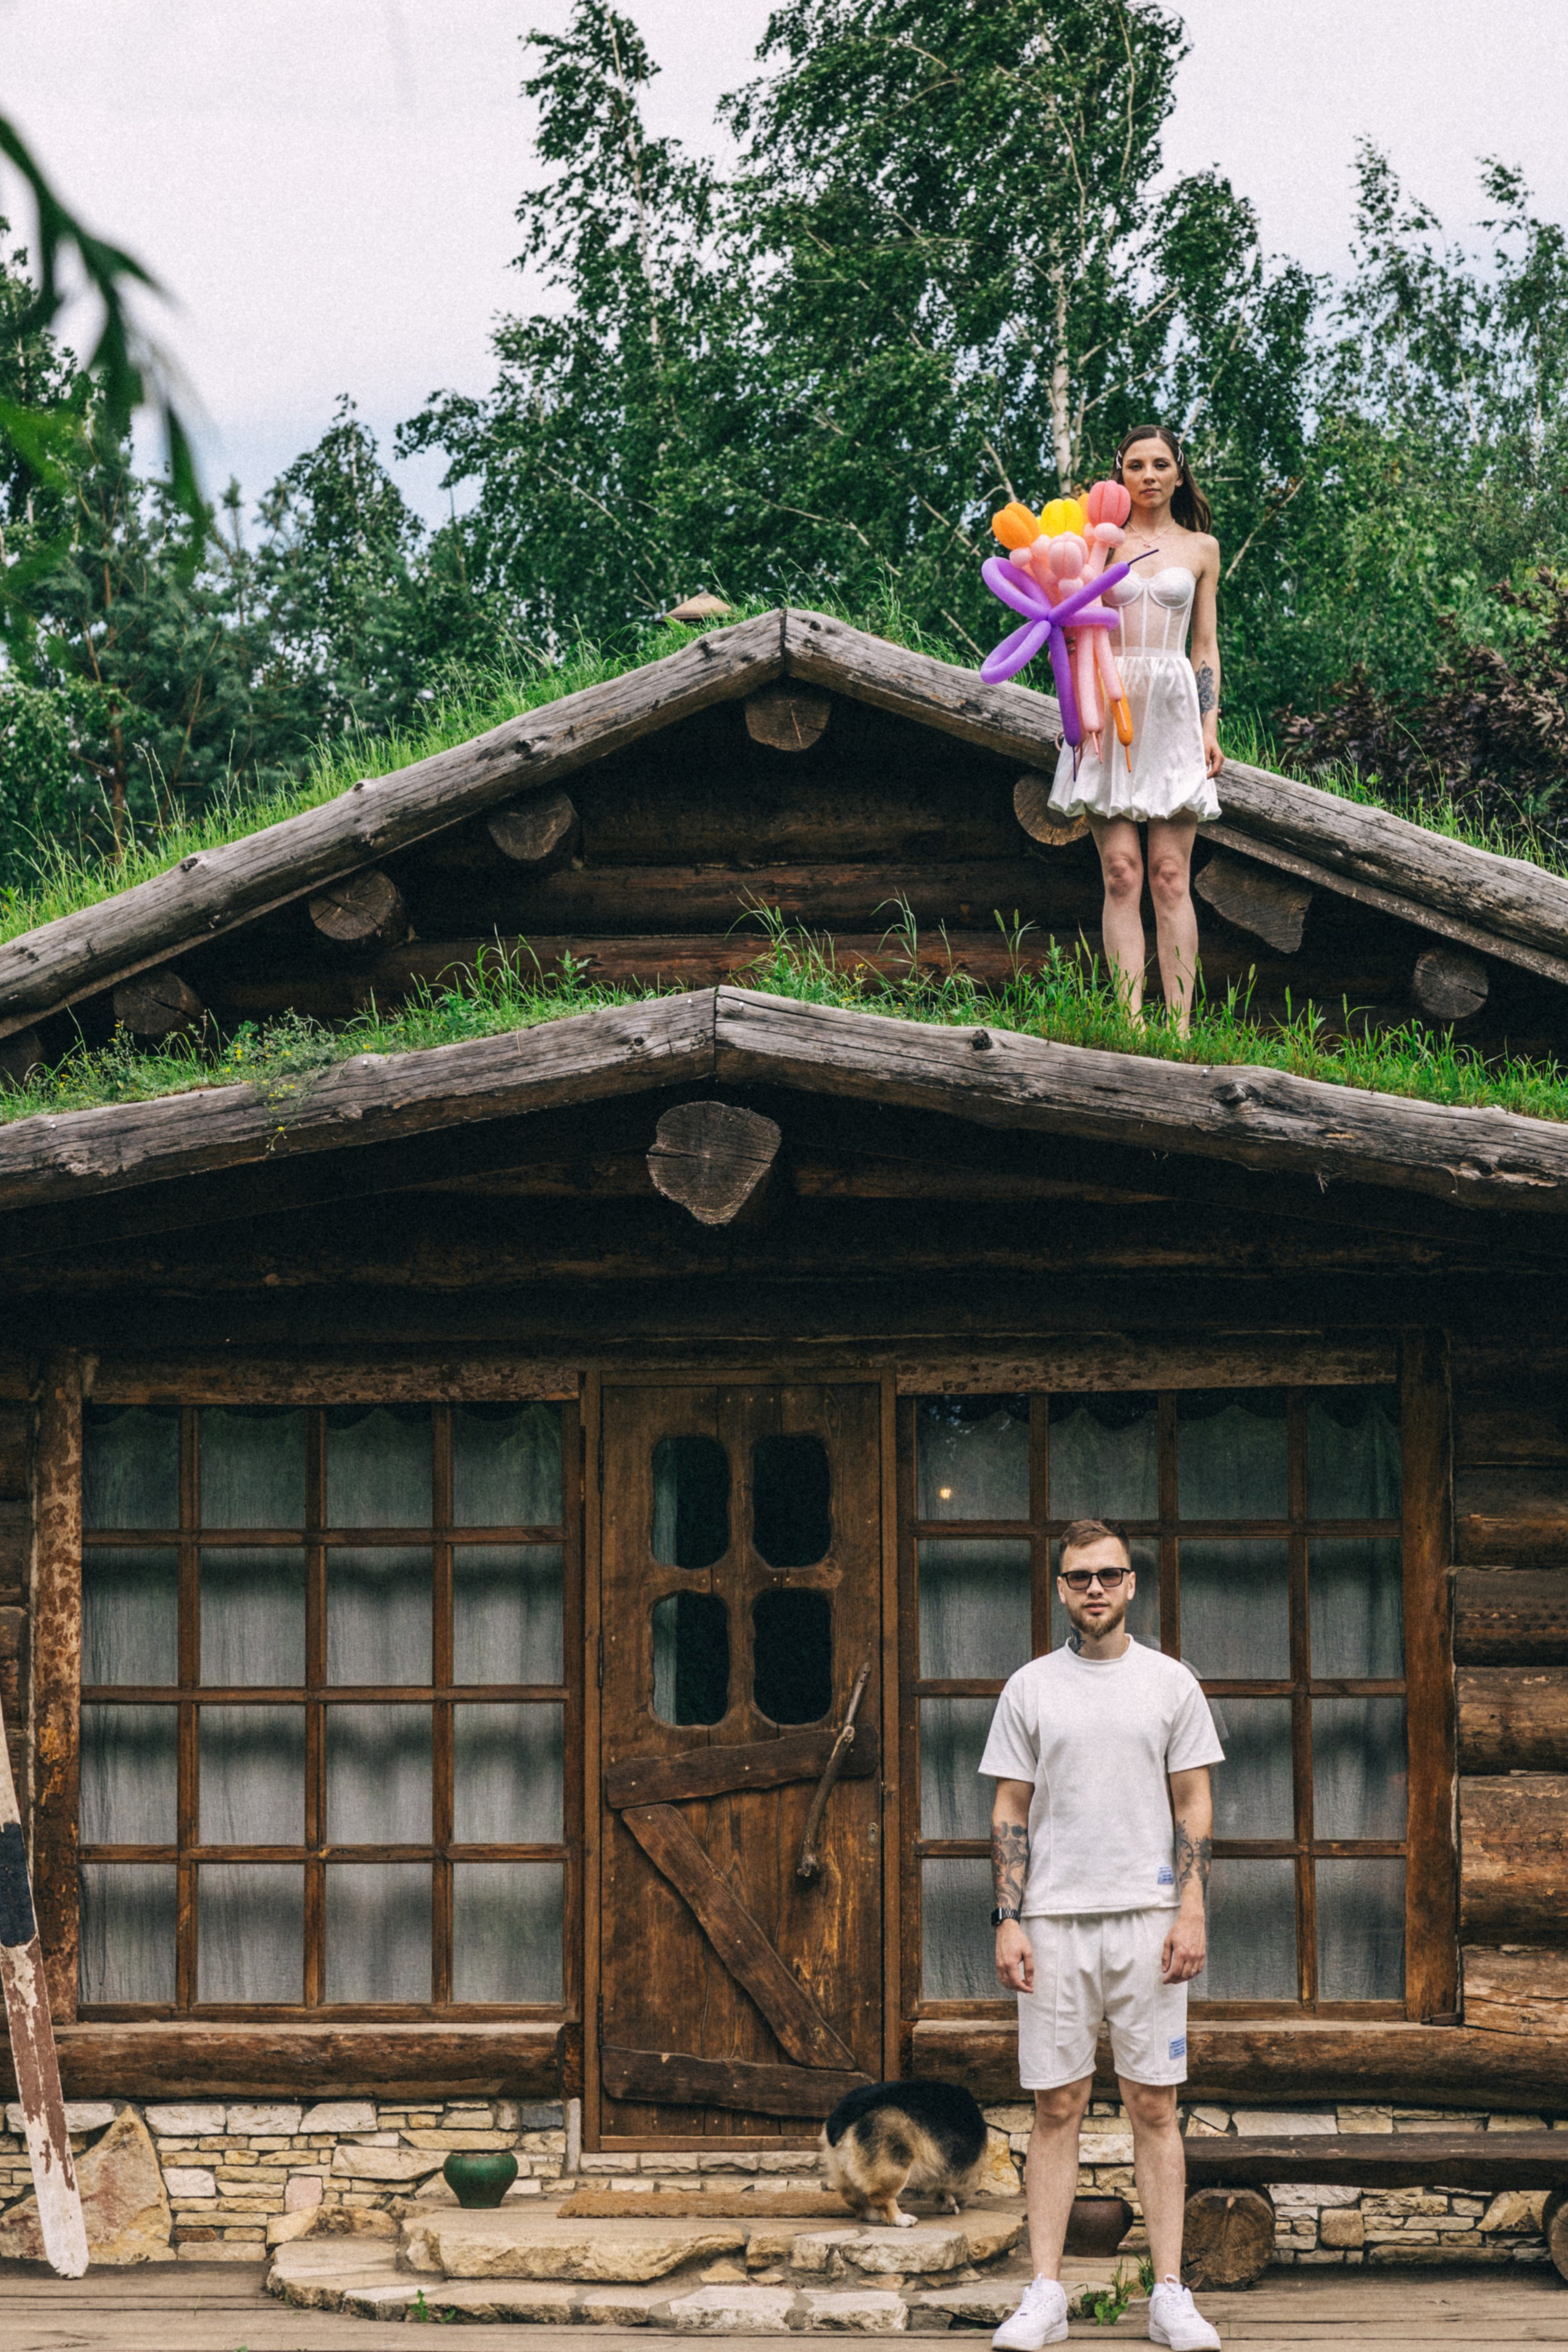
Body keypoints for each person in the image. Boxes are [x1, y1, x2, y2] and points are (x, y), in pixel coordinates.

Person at [980, 1519, 1224, 2352]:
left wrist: (1191, 1908)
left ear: (1131, 1585)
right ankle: (1045, 2293)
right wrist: (1008, 1917)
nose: (1095, 1589)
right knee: (1057, 2105)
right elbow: (1010, 1807)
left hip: (1150, 1919)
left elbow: (1193, 1801)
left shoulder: (1170, 1684)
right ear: (1060, 1587)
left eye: (1109, 1575)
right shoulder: (1030, 1688)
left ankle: (1169, 2294)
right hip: (1051, 1921)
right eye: (1080, 1576)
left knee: (1155, 2104)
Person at [1047, 426, 1223, 1038]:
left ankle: (1179, 1029)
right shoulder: (1096, 543)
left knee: (1170, 876)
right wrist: (1073, 714)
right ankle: (1131, 1026)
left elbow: (1205, 645)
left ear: (1179, 473)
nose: (1149, 475)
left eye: (1161, 464)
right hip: (1106, 702)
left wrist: (1208, 724)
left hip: (1172, 711)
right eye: (1136, 465)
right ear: (1118, 473)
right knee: (1120, 871)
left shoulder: (1201, 548)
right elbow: (1070, 631)